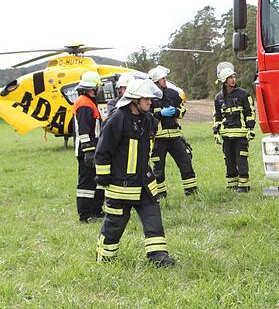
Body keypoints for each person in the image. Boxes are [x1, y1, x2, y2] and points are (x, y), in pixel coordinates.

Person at [94, 78, 176, 267]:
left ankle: (159, 258)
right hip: (120, 186)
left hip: (144, 183)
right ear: (134, 100)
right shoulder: (117, 119)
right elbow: (103, 151)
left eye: (150, 99)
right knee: (115, 224)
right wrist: (104, 177)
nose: (150, 102)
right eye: (146, 99)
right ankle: (105, 258)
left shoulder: (148, 119)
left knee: (153, 219)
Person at [148, 65, 197, 197]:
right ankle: (160, 194)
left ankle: (191, 191)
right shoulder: (148, 97)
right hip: (158, 138)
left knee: (185, 162)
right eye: (162, 79)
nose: (165, 80)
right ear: (155, 81)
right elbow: (146, 117)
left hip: (175, 136)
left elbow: (182, 110)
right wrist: (160, 114)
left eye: (165, 78)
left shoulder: (173, 94)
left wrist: (176, 111)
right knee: (158, 168)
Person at [213, 61, 255, 193]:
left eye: (234, 77)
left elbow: (250, 113)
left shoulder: (244, 94)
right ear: (224, 81)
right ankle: (232, 185)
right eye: (230, 78)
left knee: (241, 160)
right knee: (229, 161)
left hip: (241, 135)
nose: (233, 80)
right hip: (226, 135)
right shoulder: (218, 98)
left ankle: (244, 186)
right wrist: (216, 132)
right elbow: (217, 116)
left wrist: (250, 130)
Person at [72, 71, 104, 222]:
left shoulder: (89, 102)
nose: (99, 89)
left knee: (96, 182)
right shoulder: (84, 104)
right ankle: (85, 215)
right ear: (93, 87)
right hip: (87, 150)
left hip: (93, 148)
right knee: (86, 183)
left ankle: (96, 210)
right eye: (98, 86)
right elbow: (84, 131)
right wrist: (89, 152)